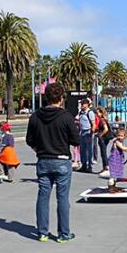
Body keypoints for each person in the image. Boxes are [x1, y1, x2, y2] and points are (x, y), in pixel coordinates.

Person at [26, 82, 79, 242]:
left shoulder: (35, 116)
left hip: (43, 160)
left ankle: (42, 232)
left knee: (43, 196)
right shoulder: (66, 116)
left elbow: (30, 140)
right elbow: (76, 140)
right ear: (61, 98)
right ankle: (63, 234)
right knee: (62, 198)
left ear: (45, 97)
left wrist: (39, 150)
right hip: (62, 160)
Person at [107, 125, 127, 192]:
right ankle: (111, 187)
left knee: (116, 174)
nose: (120, 137)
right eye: (118, 135)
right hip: (114, 160)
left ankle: (113, 186)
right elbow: (123, 148)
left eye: (122, 136)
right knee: (113, 175)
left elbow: (125, 149)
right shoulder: (116, 142)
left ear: (125, 136)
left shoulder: (121, 142)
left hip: (118, 160)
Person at [76, 99, 95, 173]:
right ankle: (84, 165)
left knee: (89, 150)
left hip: (88, 132)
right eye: (82, 104)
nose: (82, 105)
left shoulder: (90, 113)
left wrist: (91, 134)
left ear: (87, 105)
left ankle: (89, 166)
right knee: (82, 150)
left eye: (83, 104)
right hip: (82, 132)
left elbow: (93, 124)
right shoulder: (81, 112)